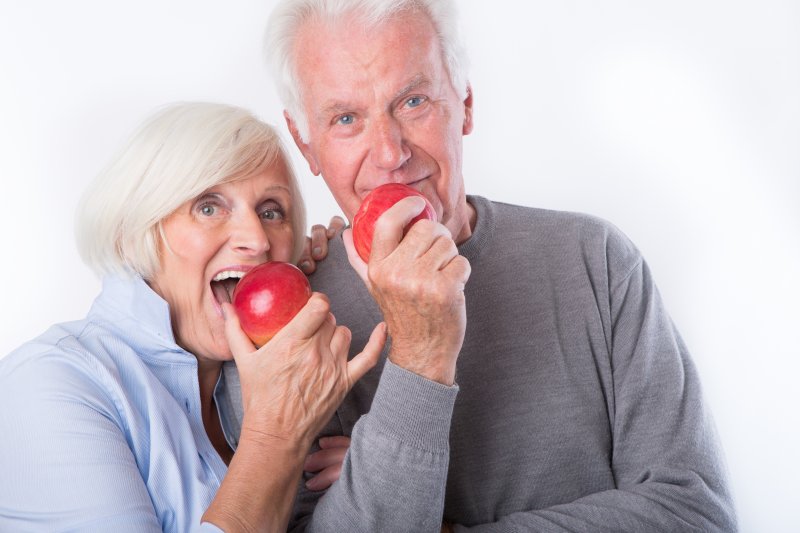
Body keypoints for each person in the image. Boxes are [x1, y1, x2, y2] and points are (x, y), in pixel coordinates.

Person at [222, 1, 737, 531]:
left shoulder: (596, 259)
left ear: (465, 103)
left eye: (413, 100)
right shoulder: (288, 330)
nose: (389, 153)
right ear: (306, 142)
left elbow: (696, 513)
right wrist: (422, 355)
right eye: (346, 119)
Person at [0, 102, 386, 532]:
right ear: (134, 231)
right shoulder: (50, 384)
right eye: (208, 206)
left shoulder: (262, 386)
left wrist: (363, 481)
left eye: (271, 211)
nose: (257, 240)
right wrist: (278, 442)